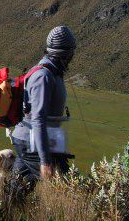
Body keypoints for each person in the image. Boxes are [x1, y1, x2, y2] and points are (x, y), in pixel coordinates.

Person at [10, 26, 76, 189]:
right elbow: (38, 119)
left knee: (18, 187)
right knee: (64, 186)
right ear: (65, 53)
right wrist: (45, 160)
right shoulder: (43, 76)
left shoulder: (53, 72)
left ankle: (5, 205)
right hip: (31, 140)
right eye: (71, 52)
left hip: (33, 139)